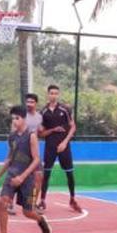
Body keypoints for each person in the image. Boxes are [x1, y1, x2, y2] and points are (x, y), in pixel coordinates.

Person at [0, 106, 51, 233]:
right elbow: (9, 158)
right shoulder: (12, 137)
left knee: (27, 212)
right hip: (12, 175)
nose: (14, 121)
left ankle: (40, 220)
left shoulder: (31, 135)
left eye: (17, 118)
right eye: (12, 119)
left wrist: (22, 177)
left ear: (24, 119)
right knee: (3, 202)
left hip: (27, 178)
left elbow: (36, 160)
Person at [38, 84, 82, 213]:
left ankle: (73, 199)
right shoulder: (43, 112)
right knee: (46, 174)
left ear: (58, 94)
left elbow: (73, 127)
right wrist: (52, 130)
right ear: (48, 94)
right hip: (50, 146)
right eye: (51, 93)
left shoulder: (65, 109)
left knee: (69, 174)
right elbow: (41, 134)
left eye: (56, 93)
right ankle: (42, 201)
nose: (53, 95)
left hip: (64, 146)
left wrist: (65, 142)